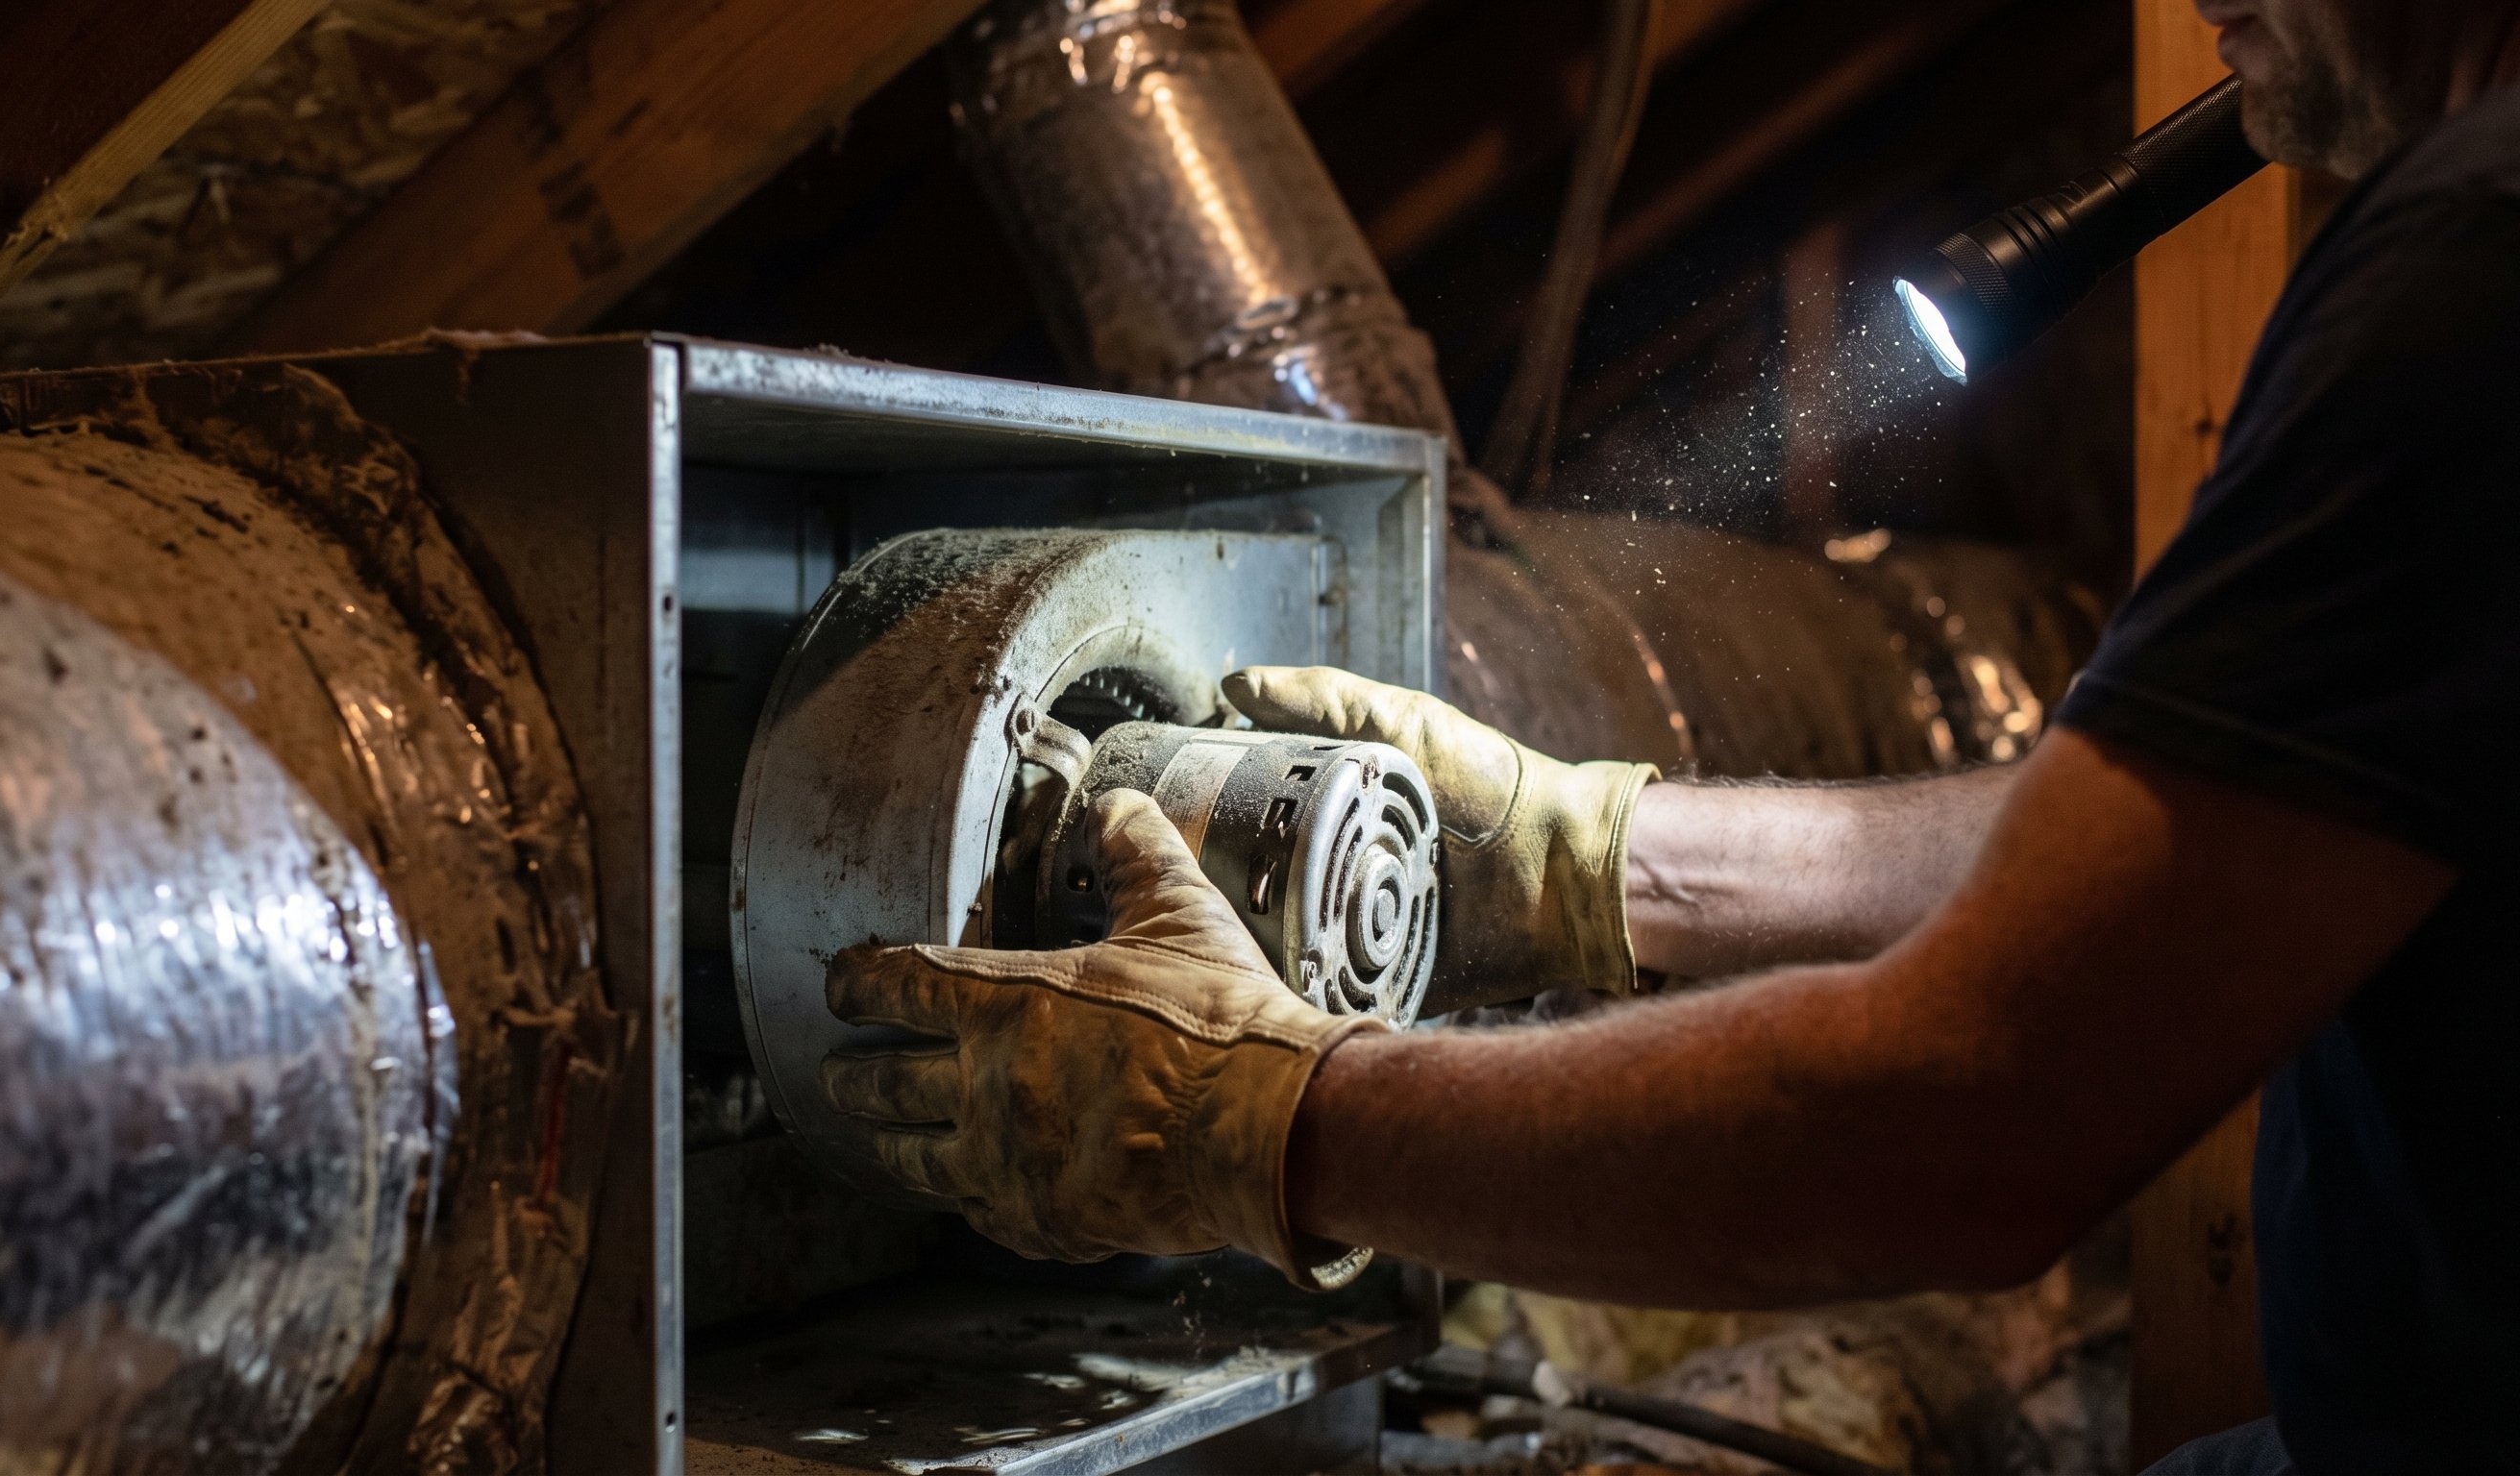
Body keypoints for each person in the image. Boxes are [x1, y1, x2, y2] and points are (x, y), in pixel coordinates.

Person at [821, 2, 2520, 1469]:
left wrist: (1270, 1118)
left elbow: (1969, 1116)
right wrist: (1595, 856)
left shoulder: (2468, 263)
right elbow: (2159, 866)